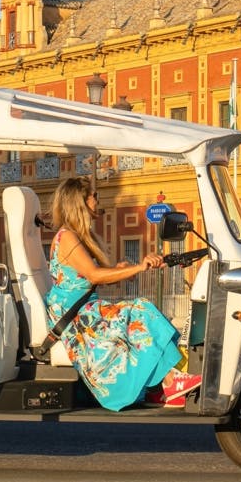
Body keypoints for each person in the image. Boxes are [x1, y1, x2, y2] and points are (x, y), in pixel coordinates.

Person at [44, 176, 199, 410]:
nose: (98, 200)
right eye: (94, 196)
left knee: (139, 312)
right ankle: (169, 382)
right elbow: (95, 276)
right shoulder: (67, 237)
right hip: (73, 317)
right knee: (140, 309)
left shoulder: (80, 237)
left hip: (85, 309)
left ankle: (159, 388)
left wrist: (122, 269)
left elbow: (90, 277)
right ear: (80, 202)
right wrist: (138, 267)